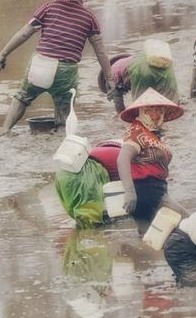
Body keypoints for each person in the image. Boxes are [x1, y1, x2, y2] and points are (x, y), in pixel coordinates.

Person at [0, 0, 115, 133]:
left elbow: (24, 34)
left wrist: (3, 53)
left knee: (22, 98)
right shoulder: (89, 17)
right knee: (64, 113)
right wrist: (109, 78)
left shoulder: (47, 8)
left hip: (41, 64)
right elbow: (101, 51)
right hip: (66, 71)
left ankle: (4, 130)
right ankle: (60, 137)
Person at [116, 88, 187, 234]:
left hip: (158, 191)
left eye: (159, 111)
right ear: (142, 112)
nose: (155, 115)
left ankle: (141, 255)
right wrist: (129, 192)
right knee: (187, 223)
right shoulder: (136, 132)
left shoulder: (153, 134)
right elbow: (122, 159)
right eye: (150, 110)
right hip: (143, 193)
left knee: (152, 239)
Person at [55, 140, 121, 228]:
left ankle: (85, 222)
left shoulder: (105, 152)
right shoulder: (123, 156)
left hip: (65, 176)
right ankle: (93, 223)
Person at [98, 45, 179, 114]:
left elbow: (118, 103)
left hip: (140, 70)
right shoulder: (131, 60)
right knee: (172, 107)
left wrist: (121, 116)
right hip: (163, 64)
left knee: (143, 108)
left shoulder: (110, 77)